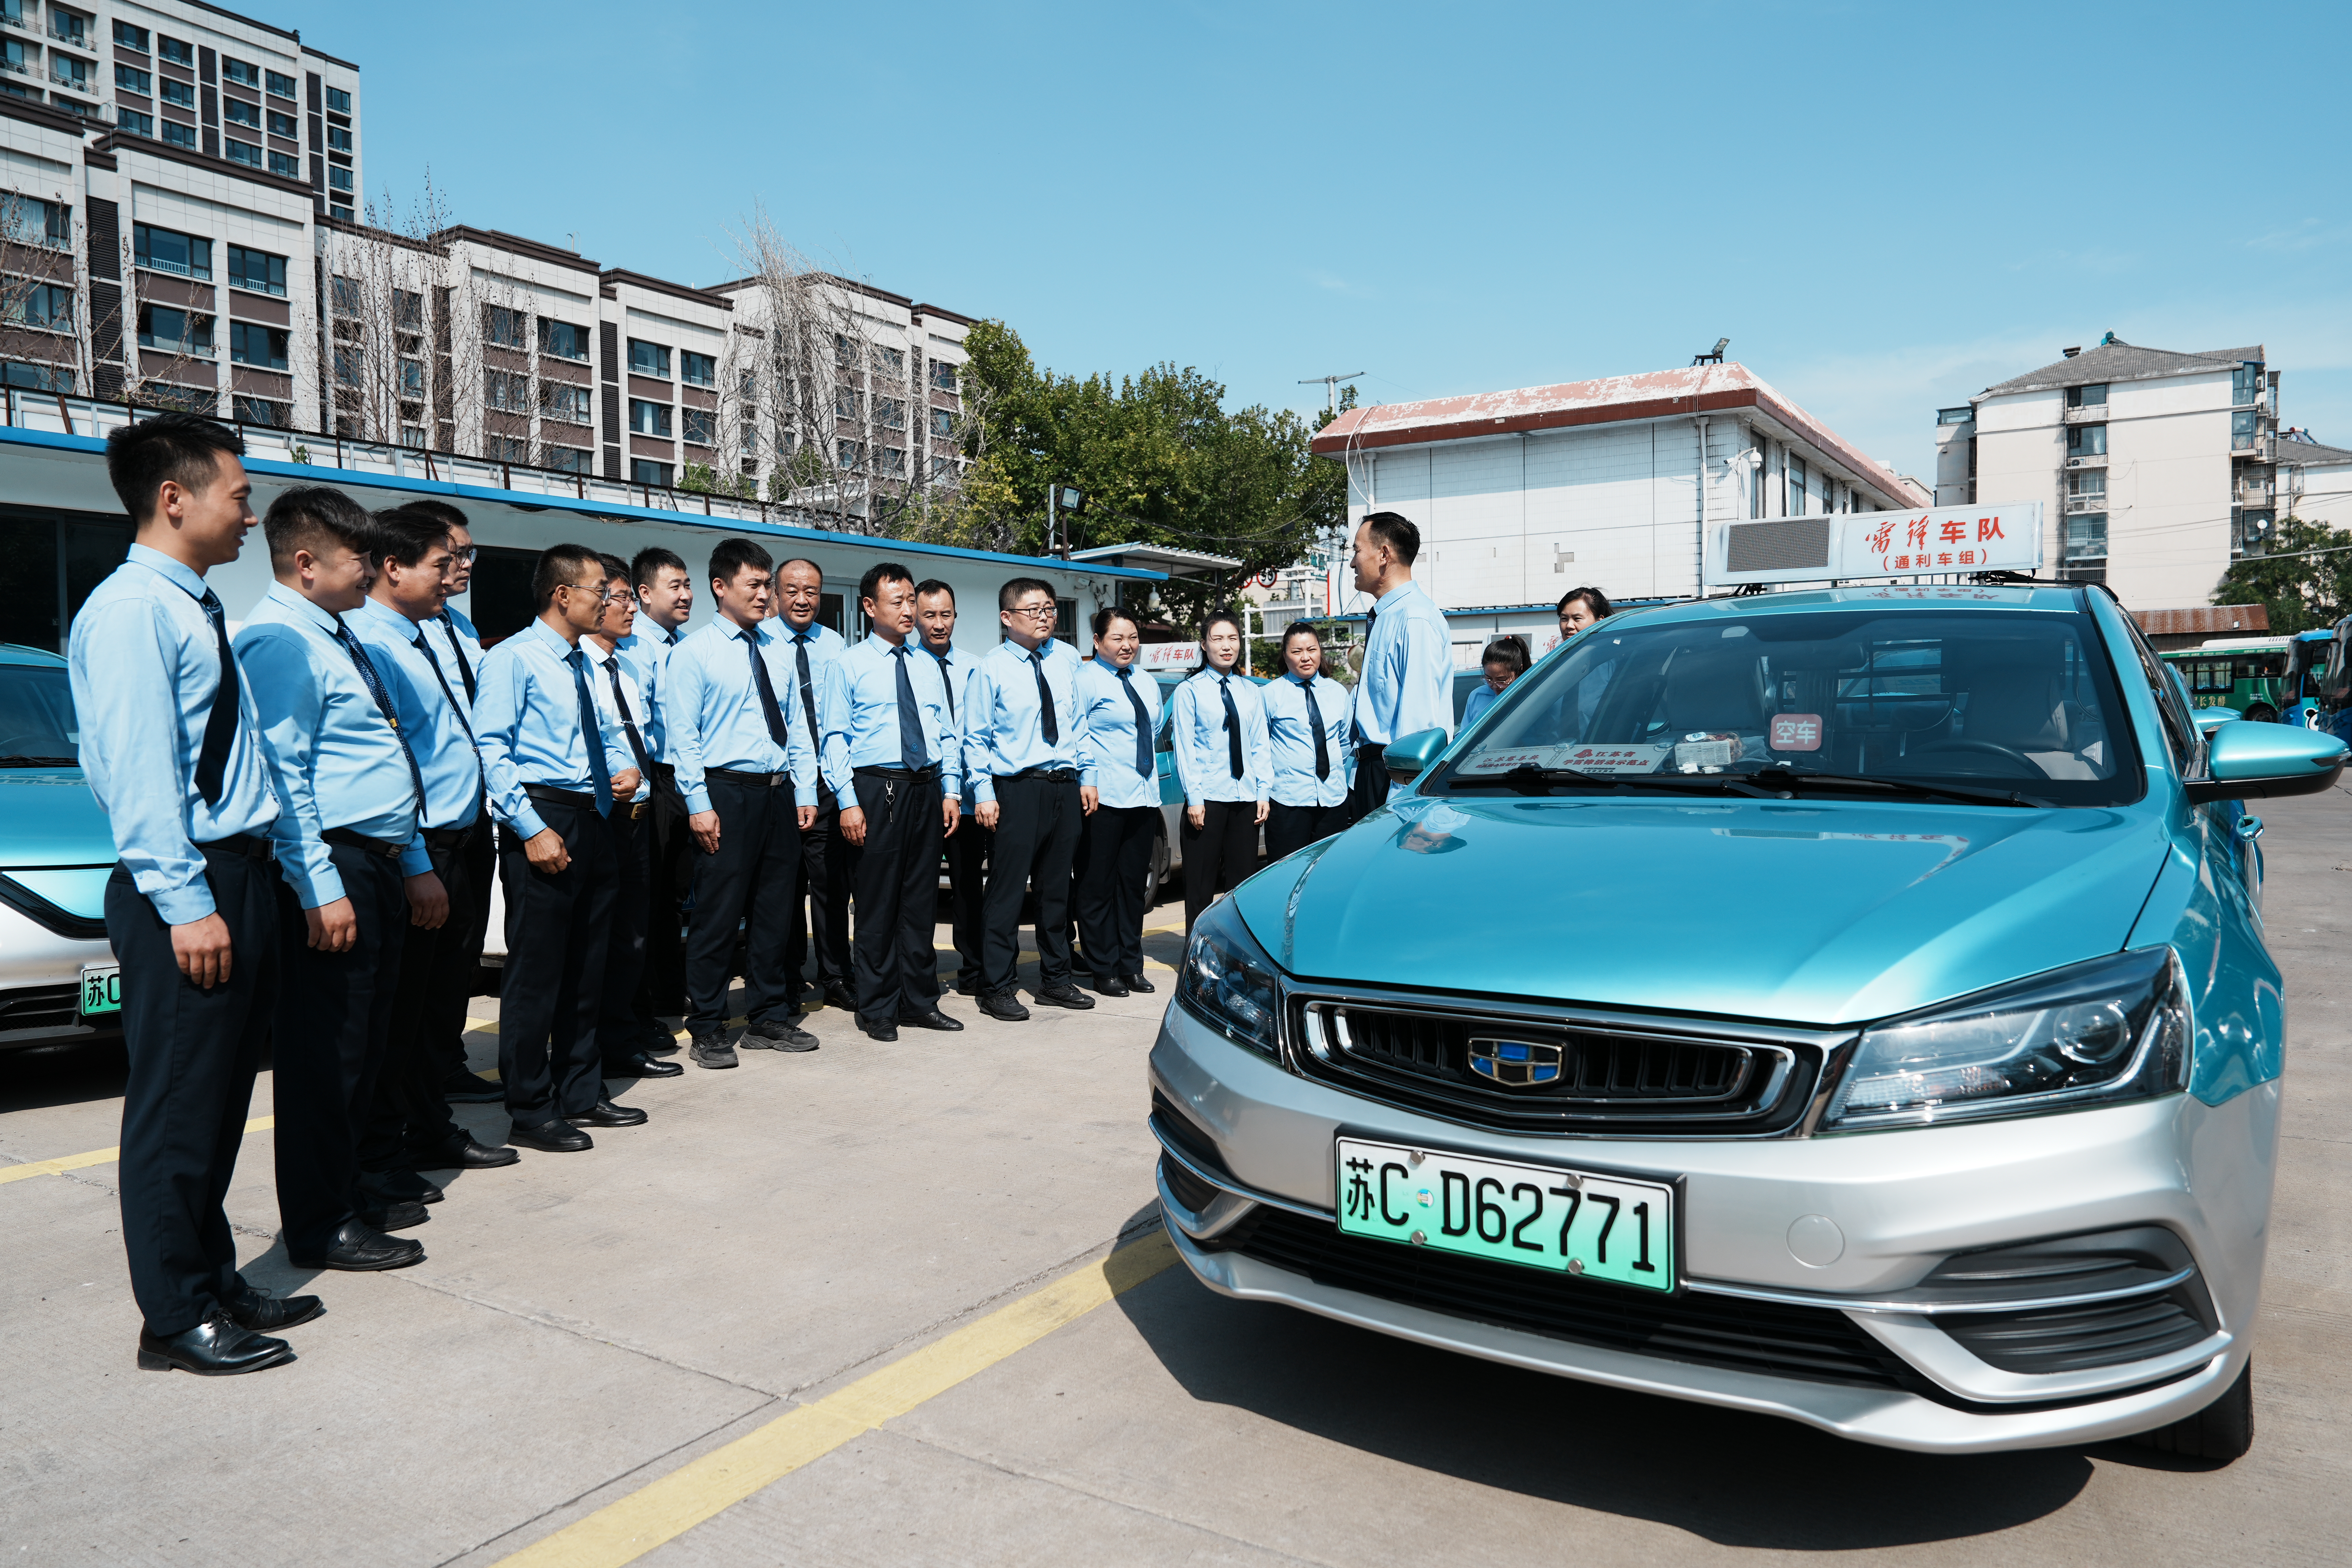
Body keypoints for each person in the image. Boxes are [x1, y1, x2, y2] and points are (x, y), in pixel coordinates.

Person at [72, 413, 311, 1376]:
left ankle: (208, 1276)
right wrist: (185, 902)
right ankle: (172, 1317)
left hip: (236, 875)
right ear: (175, 498)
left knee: (215, 1104)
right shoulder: (135, 610)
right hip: (192, 883)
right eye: (240, 495)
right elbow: (139, 776)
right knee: (176, 1107)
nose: (251, 515)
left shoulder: (195, 605)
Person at [233, 486, 432, 1273]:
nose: (373, 574)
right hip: (336, 864)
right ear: (308, 563)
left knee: (364, 1046)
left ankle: (347, 1189)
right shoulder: (282, 641)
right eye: (361, 560)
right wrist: (318, 885)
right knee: (329, 1057)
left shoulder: (338, 638)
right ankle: (321, 1221)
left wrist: (408, 860)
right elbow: (286, 777)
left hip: (374, 861)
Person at [348, 507, 518, 1200]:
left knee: (443, 992)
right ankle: (389, 1144)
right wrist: (418, 859)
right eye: (448, 558)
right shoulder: (373, 640)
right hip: (421, 843)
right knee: (402, 1011)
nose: (460, 570)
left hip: (466, 827)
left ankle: (430, 1119)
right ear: (396, 565)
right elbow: (394, 756)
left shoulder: (444, 631)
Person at [472, 544, 644, 1151]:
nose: (610, 599)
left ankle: (581, 1089)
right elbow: (491, 749)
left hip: (594, 814)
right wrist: (529, 827)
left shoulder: (584, 663)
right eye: (601, 589)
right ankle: (531, 1105)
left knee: (587, 966)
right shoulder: (513, 660)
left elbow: (606, 733)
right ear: (562, 594)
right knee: (537, 973)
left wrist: (624, 769)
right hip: (543, 817)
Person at [665, 538, 821, 1068]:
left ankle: (768, 1016)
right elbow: (684, 737)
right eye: (755, 584)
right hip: (724, 792)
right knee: (718, 915)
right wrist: (699, 804)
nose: (765, 594)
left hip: (777, 793)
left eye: (765, 584)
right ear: (720, 587)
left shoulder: (778, 649)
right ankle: (708, 1026)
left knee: (776, 912)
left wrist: (804, 790)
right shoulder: (694, 654)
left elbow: (797, 729)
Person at [822, 563, 963, 1040]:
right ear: (869, 607)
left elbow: (945, 732)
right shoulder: (849, 664)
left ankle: (920, 1001)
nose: (910, 611)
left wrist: (950, 790)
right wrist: (847, 801)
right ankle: (878, 1006)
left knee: (920, 901)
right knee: (878, 902)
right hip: (876, 788)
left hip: (926, 787)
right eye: (898, 602)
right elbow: (835, 739)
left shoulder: (925, 663)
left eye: (911, 602)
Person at [404, 500, 501, 1109]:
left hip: (472, 816)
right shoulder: (386, 630)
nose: (465, 565)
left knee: (460, 958)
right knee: (423, 967)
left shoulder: (459, 626)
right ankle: (421, 1081)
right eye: (455, 554)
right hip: (425, 828)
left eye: (468, 554)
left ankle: (447, 1062)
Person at [963, 577, 1095, 1021]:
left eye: (1050, 609)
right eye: (1034, 610)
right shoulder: (991, 668)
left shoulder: (1067, 660)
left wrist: (1088, 776)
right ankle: (996, 986)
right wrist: (983, 793)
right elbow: (976, 738)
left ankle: (1056, 980)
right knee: (1005, 892)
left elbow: (1078, 727)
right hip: (1016, 790)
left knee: (1056, 891)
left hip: (1064, 786)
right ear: (1007, 618)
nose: (1045, 617)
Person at [584, 552, 681, 1082]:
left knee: (633, 935)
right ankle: (591, 1053)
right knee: (599, 939)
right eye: (618, 598)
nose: (626, 609)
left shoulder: (630, 661)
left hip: (641, 809)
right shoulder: (573, 666)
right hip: (599, 813)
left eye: (622, 596)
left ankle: (624, 1037)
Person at [772, 557, 854, 1012]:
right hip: (779, 782)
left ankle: (836, 975)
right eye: (793, 590)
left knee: (830, 885)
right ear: (776, 593)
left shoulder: (836, 645)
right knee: (782, 887)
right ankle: (784, 976)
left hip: (825, 779)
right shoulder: (763, 644)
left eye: (812, 591)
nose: (803, 599)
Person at [1071, 606, 1162, 996]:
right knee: (1097, 886)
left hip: (1143, 796)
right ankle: (1102, 966)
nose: (1127, 646)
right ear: (1097, 641)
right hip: (1103, 797)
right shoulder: (1085, 680)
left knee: (1132, 887)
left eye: (1133, 638)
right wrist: (1088, 780)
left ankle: (1131, 964)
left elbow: (1154, 728)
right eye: (1117, 638)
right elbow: (1077, 735)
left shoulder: (1145, 680)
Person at [624, 546, 694, 1032]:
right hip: (656, 777)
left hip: (690, 778)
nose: (687, 594)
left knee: (677, 893)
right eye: (676, 586)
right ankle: (644, 1001)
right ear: (645, 593)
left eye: (688, 585)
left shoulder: (685, 644)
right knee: (648, 896)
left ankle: (671, 991)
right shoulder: (634, 647)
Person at [1344, 510, 1453, 817]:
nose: (1353, 562)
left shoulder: (1414, 619)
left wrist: (1404, 800)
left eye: (1356, 551)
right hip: (1374, 773)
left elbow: (1420, 722)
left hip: (1396, 780)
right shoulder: (1386, 616)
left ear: (1384, 554)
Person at [1170, 611, 1271, 932]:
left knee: (1243, 888)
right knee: (1200, 888)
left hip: (1245, 800)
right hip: (1208, 801)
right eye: (1218, 639)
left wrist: (1263, 791)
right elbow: (1185, 749)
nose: (1227, 647)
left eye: (1233, 639)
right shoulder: (1190, 691)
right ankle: (1195, 959)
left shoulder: (1250, 691)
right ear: (1204, 645)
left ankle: (1238, 961)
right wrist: (1195, 799)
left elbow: (1259, 746)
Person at [914, 580, 986, 996]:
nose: (939, 624)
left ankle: (979, 967)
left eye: (946, 614)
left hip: (977, 797)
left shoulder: (977, 667)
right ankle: (926, 972)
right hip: (931, 795)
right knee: (936, 888)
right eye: (930, 615)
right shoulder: (907, 665)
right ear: (916, 617)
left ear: (956, 616)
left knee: (975, 888)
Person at [1261, 622, 1353, 861]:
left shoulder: (1338, 692)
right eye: (1297, 652)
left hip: (1333, 798)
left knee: (1331, 871)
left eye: (1311, 650)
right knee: (1287, 873)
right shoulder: (1270, 695)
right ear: (1285, 655)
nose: (1305, 658)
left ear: (1320, 652)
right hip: (1288, 801)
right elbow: (1260, 747)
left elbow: (1344, 742)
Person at [1461, 636, 1530, 727]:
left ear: (1519, 670)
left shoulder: (1532, 697)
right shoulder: (1477, 696)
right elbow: (1464, 733)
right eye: (1489, 679)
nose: (1495, 686)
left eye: (1502, 680)